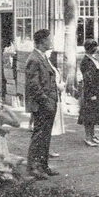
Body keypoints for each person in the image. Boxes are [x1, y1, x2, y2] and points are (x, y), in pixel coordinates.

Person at [25, 29, 60, 179]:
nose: (51, 41)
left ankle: (43, 166)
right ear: (42, 41)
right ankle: (33, 167)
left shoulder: (42, 57)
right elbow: (33, 85)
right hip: (42, 104)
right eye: (49, 39)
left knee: (45, 136)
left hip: (49, 102)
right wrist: (45, 100)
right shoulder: (34, 59)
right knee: (39, 136)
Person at [77, 38, 99, 147]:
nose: (96, 49)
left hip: (95, 90)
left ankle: (92, 135)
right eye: (94, 47)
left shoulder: (93, 59)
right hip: (90, 91)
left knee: (94, 115)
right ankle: (88, 137)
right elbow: (88, 79)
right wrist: (91, 94)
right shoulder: (86, 61)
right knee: (88, 115)